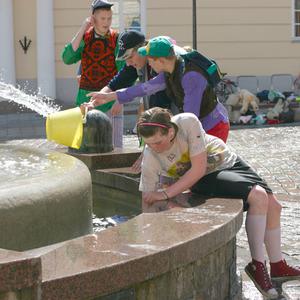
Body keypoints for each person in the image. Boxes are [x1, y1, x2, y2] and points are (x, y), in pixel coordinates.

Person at [136, 107, 300, 299]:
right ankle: (257, 264)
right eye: (148, 144)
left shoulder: (187, 122)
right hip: (206, 177)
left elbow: (197, 166)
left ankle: (278, 265)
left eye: (158, 142)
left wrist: (165, 193)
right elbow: (147, 201)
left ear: (170, 131)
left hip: (229, 160)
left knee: (275, 206)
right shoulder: (150, 157)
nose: (154, 148)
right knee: (258, 196)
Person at [86, 36, 230, 143]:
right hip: (198, 127)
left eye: (149, 60)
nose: (148, 64)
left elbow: (190, 117)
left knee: (205, 174)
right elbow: (144, 88)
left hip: (213, 126)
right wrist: (109, 97)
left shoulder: (190, 76)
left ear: (160, 61)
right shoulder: (169, 70)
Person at [61, 0, 124, 147]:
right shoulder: (85, 38)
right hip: (85, 102)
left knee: (114, 146)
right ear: (93, 18)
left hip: (110, 102)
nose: (107, 22)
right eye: (103, 18)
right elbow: (67, 58)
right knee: (84, 145)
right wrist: (83, 27)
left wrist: (119, 100)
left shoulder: (117, 39)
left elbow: (124, 72)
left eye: (109, 18)